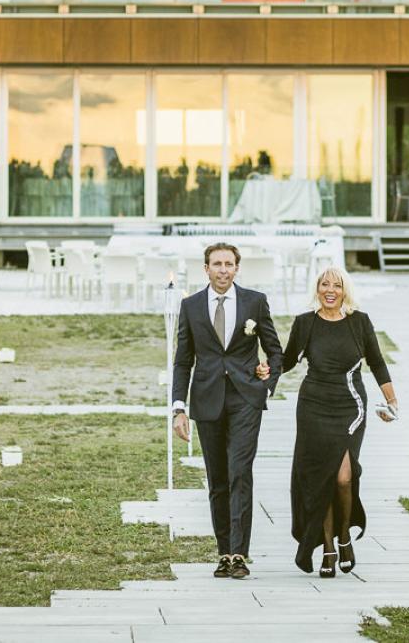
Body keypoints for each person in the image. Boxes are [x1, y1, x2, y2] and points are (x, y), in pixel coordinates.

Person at [171, 243, 283, 580]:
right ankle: (223, 553)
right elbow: (182, 361)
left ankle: (239, 554)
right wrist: (178, 408)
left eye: (229, 264)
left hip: (245, 399)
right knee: (218, 479)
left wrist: (267, 383)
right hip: (207, 401)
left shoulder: (255, 302)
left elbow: (275, 351)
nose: (223, 270)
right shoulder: (190, 306)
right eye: (217, 264)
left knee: (239, 472)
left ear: (237, 268)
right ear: (206, 268)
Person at [279, 267, 397, 578]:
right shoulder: (305, 323)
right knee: (321, 480)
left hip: (349, 407)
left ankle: (344, 535)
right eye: (324, 284)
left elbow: (377, 362)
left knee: (343, 477)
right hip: (312, 409)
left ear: (346, 291)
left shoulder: (360, 322)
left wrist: (392, 400)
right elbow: (287, 360)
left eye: (337, 285)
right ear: (317, 288)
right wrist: (263, 369)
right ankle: (329, 547)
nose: (330, 290)